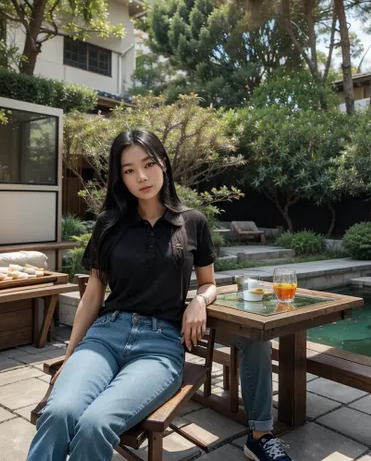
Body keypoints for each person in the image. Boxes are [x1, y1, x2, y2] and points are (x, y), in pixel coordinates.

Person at [26, 129, 291, 461]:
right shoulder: (109, 224)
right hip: (105, 336)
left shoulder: (192, 222)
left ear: (163, 163)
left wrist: (198, 300)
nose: (141, 176)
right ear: (120, 178)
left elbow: (208, 283)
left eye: (148, 164)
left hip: (160, 346)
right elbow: (93, 296)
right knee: (59, 412)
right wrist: (69, 357)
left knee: (96, 423)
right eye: (128, 170)